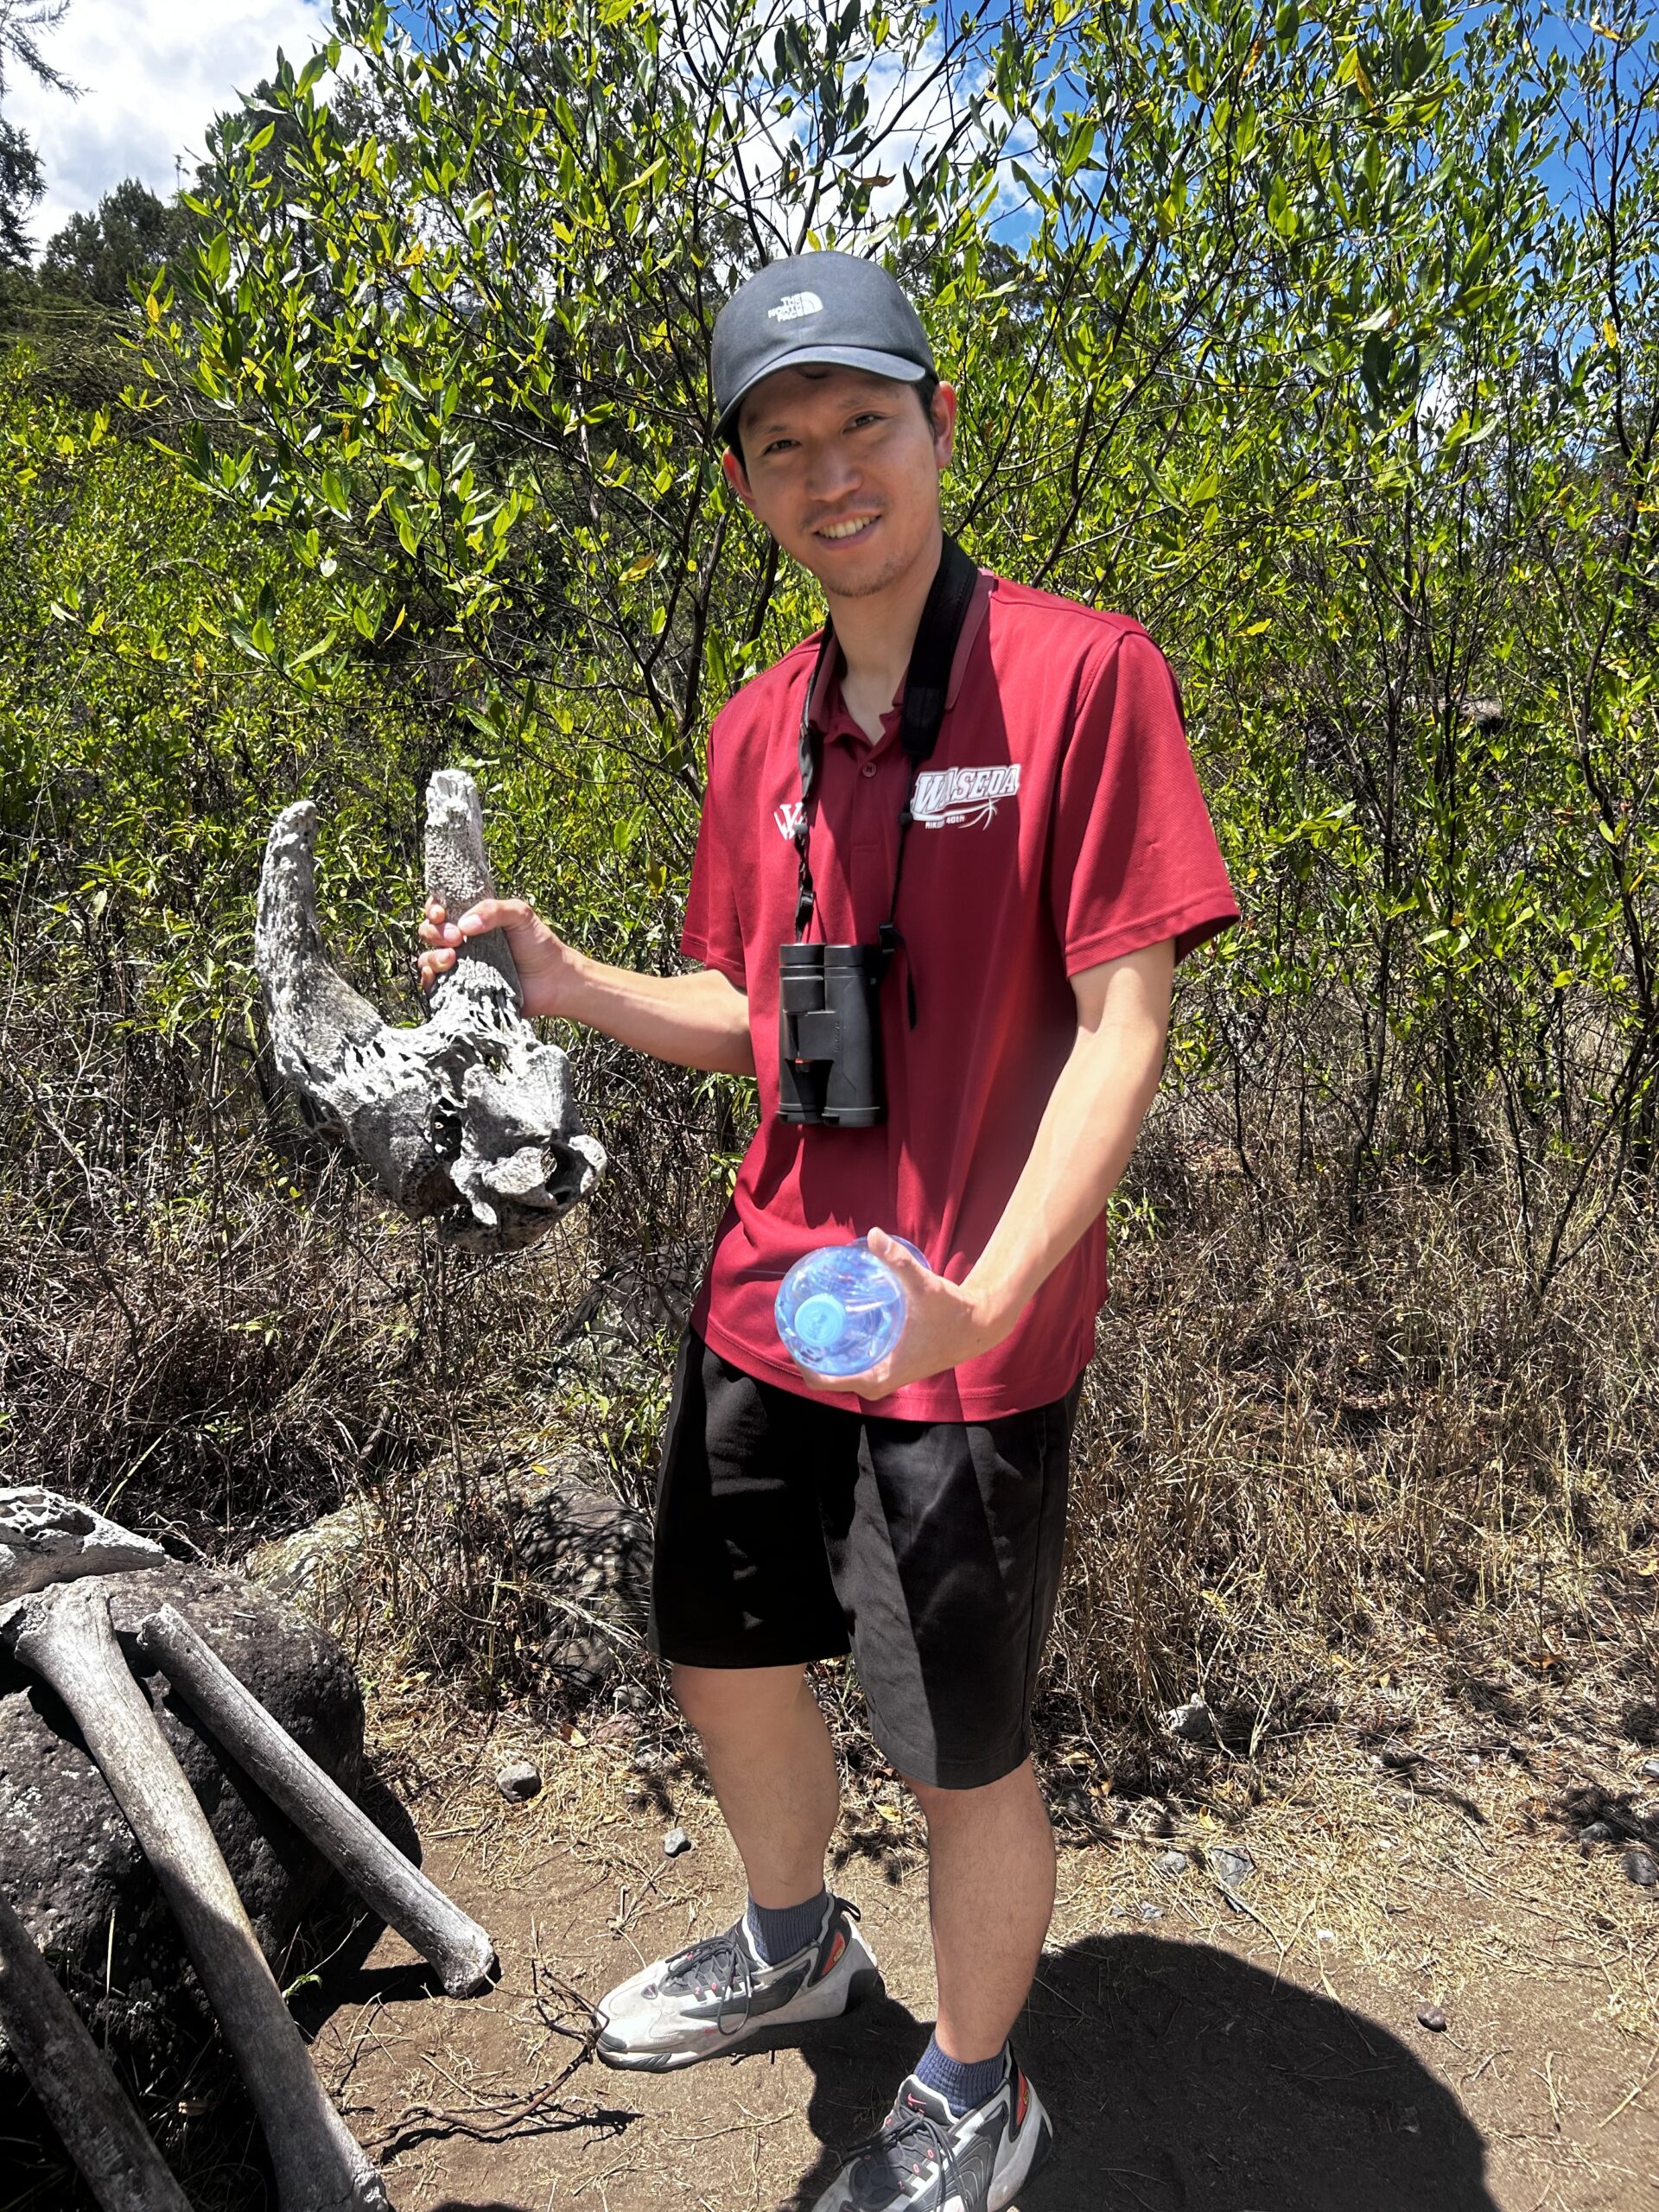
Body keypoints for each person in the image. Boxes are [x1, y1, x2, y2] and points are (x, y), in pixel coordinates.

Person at [419, 250, 1238, 2212]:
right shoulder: (753, 728)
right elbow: (754, 1011)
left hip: (969, 1334)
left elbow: (1130, 1023)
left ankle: (977, 2083)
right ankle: (797, 1943)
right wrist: (572, 979)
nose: (830, 471)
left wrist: (992, 1294)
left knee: (962, 1736)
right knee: (718, 1641)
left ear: (938, 425)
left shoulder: (1081, 675)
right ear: (746, 486)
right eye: (781, 445)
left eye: (864, 420)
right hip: (773, 1290)